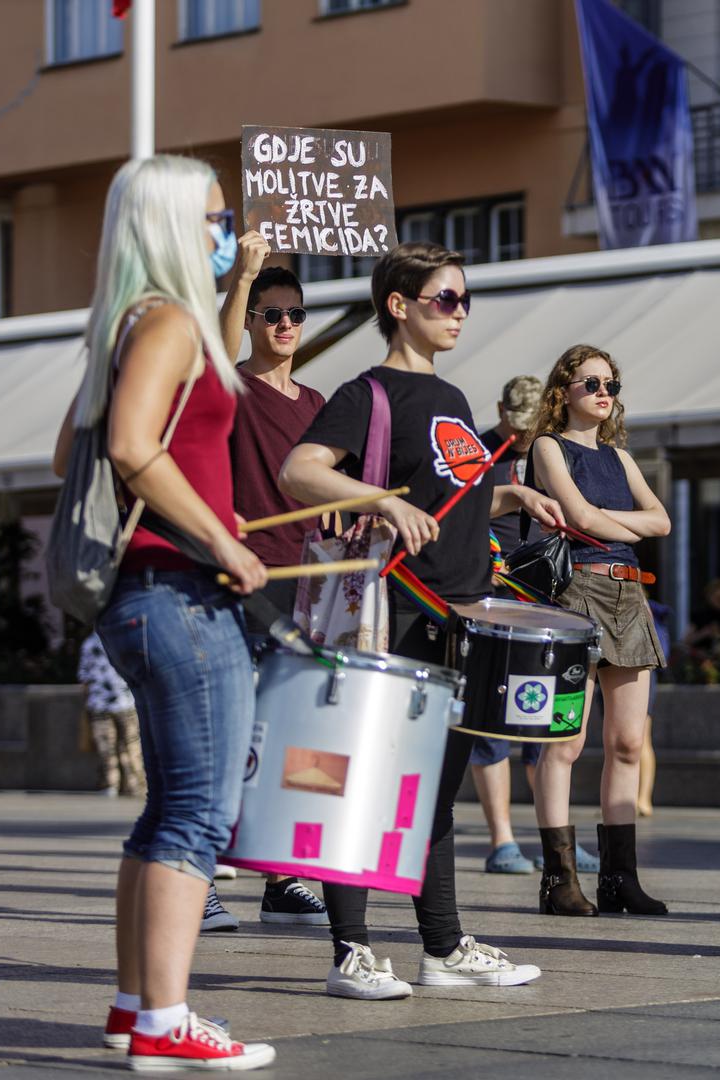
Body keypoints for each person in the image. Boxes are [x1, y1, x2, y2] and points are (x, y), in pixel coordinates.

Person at [280, 241, 560, 999]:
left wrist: (511, 496)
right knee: (367, 781)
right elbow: (300, 468)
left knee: (436, 789)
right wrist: (384, 503)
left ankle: (442, 945)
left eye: (466, 299)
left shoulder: (455, 400)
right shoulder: (367, 393)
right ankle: (352, 952)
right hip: (394, 612)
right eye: (446, 299)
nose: (460, 312)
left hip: (460, 614)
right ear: (399, 306)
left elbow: (451, 497)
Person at [51, 154, 275, 1069]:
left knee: (165, 812)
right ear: (178, 225)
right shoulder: (169, 322)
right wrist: (221, 539)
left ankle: (135, 1005)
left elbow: (69, 446)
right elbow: (138, 449)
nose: (228, 230)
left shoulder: (130, 325)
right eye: (218, 217)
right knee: (197, 813)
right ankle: (165, 1022)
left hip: (141, 597)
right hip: (178, 591)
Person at [526, 344, 671, 917]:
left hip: (628, 589)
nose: (604, 392)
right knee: (566, 741)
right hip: (577, 589)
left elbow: (660, 521)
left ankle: (620, 878)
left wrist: (617, 527)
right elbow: (578, 519)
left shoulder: (620, 457)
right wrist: (624, 526)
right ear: (563, 390)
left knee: (629, 743)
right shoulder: (547, 447)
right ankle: (559, 878)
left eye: (610, 383)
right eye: (591, 382)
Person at [215, 259, 331, 929]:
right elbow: (216, 358)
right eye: (272, 314)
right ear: (252, 321)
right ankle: (201, 873)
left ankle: (283, 878)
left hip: (308, 585)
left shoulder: (317, 405)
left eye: (296, 314)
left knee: (294, 739)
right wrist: (243, 278)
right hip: (245, 578)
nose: (286, 325)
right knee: (233, 737)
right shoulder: (229, 388)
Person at [472, 375, 580, 875]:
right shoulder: (475, 450)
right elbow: (460, 515)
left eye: (529, 428)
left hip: (542, 593)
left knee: (544, 719)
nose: (520, 436)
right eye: (514, 426)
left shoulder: (549, 450)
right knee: (492, 722)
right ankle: (502, 840)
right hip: (491, 592)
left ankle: (554, 836)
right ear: (500, 411)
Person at [78, 632, 146, 798]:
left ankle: (111, 784)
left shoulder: (89, 643)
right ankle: (134, 784)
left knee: (106, 748)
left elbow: (84, 677)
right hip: (126, 701)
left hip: (99, 703)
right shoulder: (124, 638)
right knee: (131, 746)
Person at [638, 599, 673, 818]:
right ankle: (629, 798)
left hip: (640, 667)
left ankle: (643, 798)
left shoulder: (641, 604)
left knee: (640, 739)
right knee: (619, 739)